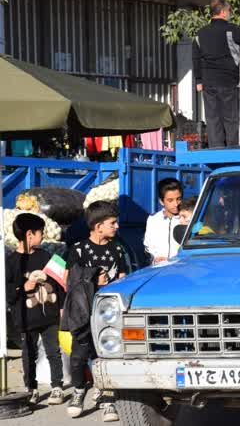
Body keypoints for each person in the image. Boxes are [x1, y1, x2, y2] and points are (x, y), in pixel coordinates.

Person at [64, 201, 130, 421]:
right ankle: (79, 392)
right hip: (83, 312)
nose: (117, 226)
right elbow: (69, 281)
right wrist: (92, 278)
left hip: (108, 316)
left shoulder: (117, 249)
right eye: (113, 223)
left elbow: (123, 277)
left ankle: (108, 398)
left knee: (107, 356)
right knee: (79, 356)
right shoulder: (78, 250)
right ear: (98, 226)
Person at [6, 213, 65, 407]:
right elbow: (6, 293)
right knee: (28, 354)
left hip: (49, 316)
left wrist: (62, 306)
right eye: (41, 232)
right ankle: (31, 388)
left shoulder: (45, 255)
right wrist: (24, 287)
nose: (43, 236)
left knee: (53, 352)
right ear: (29, 234)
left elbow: (58, 283)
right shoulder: (11, 262)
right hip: (25, 318)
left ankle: (57, 386)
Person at [192, 0, 240, 148]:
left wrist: (198, 81)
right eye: (229, 11)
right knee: (230, 119)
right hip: (228, 81)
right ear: (222, 12)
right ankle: (232, 149)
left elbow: (195, 57)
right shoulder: (231, 30)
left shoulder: (200, 34)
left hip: (208, 83)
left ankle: (216, 150)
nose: (230, 14)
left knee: (213, 118)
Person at [143, 178, 183, 264]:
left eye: (178, 199)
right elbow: (148, 245)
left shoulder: (187, 218)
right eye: (170, 200)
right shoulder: (153, 219)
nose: (176, 204)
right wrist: (155, 258)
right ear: (161, 201)